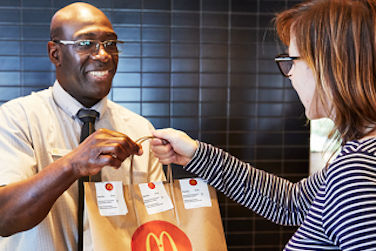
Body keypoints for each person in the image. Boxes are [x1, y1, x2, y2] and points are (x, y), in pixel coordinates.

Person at [150, 0, 376, 250]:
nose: (289, 74)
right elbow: (291, 203)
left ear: (329, 65)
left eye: (291, 61)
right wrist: (196, 154)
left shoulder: (357, 171)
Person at [0, 2, 164, 250]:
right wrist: (72, 164)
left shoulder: (139, 129)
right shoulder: (17, 118)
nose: (103, 55)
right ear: (55, 53)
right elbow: (4, 218)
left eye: (110, 44)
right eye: (86, 44)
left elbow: (156, 222)